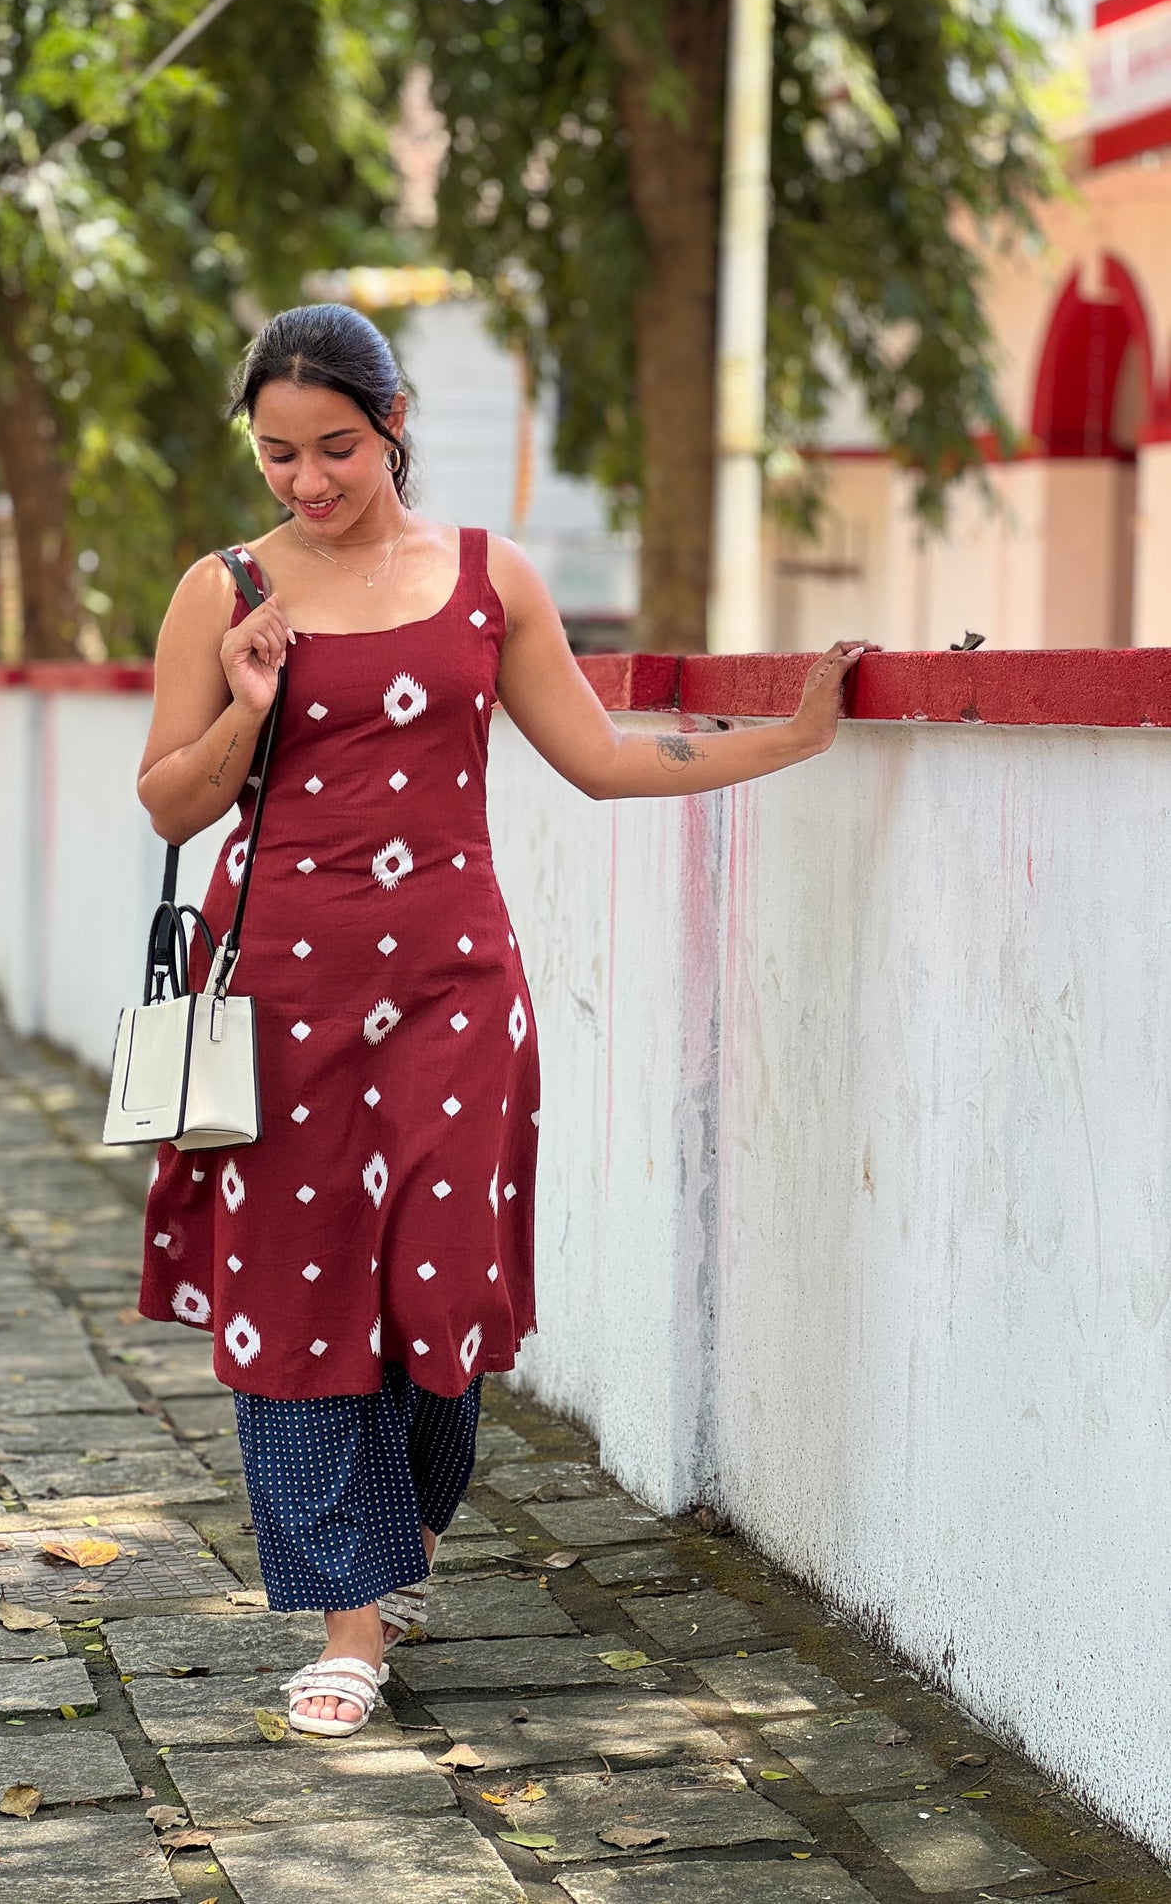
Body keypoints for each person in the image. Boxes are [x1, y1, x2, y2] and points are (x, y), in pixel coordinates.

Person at [136, 302, 874, 1736]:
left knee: (440, 1282)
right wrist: (246, 706)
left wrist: (786, 736)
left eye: (334, 447)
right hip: (278, 985)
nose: (305, 482)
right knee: (298, 1290)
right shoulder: (223, 590)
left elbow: (596, 759)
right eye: (278, 454)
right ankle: (351, 1621)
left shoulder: (490, 580)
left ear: (393, 420)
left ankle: (398, 1537)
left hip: (454, 993)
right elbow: (170, 799)